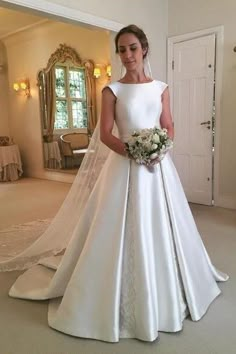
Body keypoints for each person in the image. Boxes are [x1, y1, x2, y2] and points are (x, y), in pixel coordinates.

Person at [2, 24, 228, 343]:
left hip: (159, 167)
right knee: (113, 228)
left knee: (166, 224)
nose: (127, 55)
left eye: (132, 48)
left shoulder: (161, 87)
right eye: (122, 49)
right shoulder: (112, 90)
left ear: (144, 49)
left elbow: (168, 124)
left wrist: (161, 149)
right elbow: (106, 133)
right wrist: (134, 152)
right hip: (124, 166)